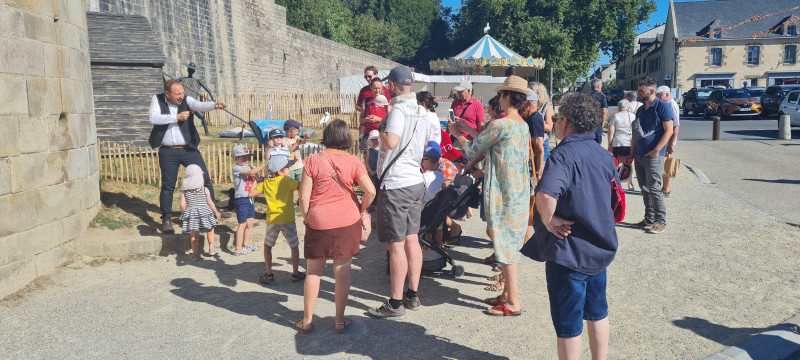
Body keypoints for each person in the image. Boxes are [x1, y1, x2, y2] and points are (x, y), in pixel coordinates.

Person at [520, 92, 620, 360]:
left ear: (566, 122)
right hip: (599, 249)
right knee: (598, 313)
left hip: (569, 252)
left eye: (557, 117)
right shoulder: (603, 155)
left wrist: (550, 220)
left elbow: (545, 194)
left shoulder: (563, 155)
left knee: (568, 326)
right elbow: (616, 200)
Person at [448, 75, 530, 316]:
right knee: (509, 244)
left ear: (506, 97)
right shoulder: (522, 125)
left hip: (503, 192)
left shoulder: (500, 125)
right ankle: (506, 295)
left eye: (502, 95)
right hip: (519, 190)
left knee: (504, 245)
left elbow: (473, 148)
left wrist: (457, 132)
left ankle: (513, 301)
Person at [297, 119, 376, 334]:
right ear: (346, 138)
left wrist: (308, 218)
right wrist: (359, 211)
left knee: (314, 272)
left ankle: (307, 320)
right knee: (342, 271)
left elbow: (304, 198)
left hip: (319, 219)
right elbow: (371, 191)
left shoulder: (312, 160)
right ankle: (339, 321)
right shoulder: (354, 161)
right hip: (347, 220)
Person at [367, 66, 428, 320]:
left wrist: (379, 130)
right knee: (412, 240)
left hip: (397, 184)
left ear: (392, 85)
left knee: (396, 246)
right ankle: (412, 295)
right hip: (415, 180)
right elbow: (424, 145)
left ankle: (395, 303)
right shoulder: (422, 111)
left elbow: (390, 142)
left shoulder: (399, 110)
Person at [148, 79, 228, 234]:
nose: (181, 96)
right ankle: (166, 219)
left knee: (205, 180)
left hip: (188, 149)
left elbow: (199, 105)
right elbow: (153, 118)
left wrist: (214, 105)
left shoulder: (186, 99)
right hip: (168, 151)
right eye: (178, 94)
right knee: (168, 186)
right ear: (167, 94)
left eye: (182, 93)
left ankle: (213, 211)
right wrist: (176, 117)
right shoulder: (157, 100)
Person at [249, 156, 305, 284]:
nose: (289, 170)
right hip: (287, 219)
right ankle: (295, 274)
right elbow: (301, 185)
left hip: (272, 220)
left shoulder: (266, 183)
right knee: (294, 246)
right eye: (287, 168)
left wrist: (257, 181)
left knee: (268, 246)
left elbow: (251, 194)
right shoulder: (287, 181)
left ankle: (269, 274)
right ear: (280, 172)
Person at [632, 77, 674, 234]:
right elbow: (636, 133)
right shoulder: (641, 109)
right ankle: (649, 218)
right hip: (640, 154)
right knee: (644, 188)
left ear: (652, 91)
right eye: (638, 90)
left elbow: (669, 130)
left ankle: (660, 221)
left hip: (654, 156)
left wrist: (657, 150)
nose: (639, 93)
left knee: (655, 189)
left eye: (642, 91)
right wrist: (632, 153)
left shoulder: (662, 107)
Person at [179, 164, 222, 261]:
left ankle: (195, 254)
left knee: (194, 235)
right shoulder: (205, 189)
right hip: (205, 213)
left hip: (192, 214)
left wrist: (184, 213)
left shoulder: (185, 192)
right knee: (210, 229)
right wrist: (216, 212)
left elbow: (182, 205)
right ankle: (211, 248)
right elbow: (210, 203)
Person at [231, 144, 267, 255]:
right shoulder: (236, 168)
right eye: (243, 157)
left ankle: (245, 245)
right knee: (242, 224)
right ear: (235, 158)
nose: (246, 159)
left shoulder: (248, 167)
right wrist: (265, 164)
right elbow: (250, 173)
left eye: (247, 156)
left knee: (250, 223)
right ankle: (238, 248)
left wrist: (257, 175)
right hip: (242, 199)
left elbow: (258, 179)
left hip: (250, 198)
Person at [655, 86, 680, 198]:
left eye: (658, 96)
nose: (657, 98)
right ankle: (664, 188)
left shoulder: (672, 105)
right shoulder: (666, 104)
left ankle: (666, 189)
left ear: (665, 95)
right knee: (664, 163)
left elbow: (675, 126)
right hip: (664, 139)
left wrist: (671, 143)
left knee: (667, 164)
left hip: (668, 140)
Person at [608, 99, 636, 191]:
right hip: (630, 141)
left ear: (619, 107)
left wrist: (610, 144)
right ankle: (630, 183)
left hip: (618, 142)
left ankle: (617, 182)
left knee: (617, 162)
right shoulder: (633, 116)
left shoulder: (615, 116)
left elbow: (611, 131)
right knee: (629, 162)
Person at [529, 82, 555, 162]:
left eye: (530, 90)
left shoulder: (547, 106)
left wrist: (536, 122)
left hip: (541, 141)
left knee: (541, 170)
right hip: (528, 142)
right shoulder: (528, 105)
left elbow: (549, 127)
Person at [588, 79, 608, 145]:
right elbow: (604, 112)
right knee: (597, 144)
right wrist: (602, 124)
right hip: (597, 123)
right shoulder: (602, 96)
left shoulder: (585, 96)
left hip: (586, 122)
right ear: (599, 86)